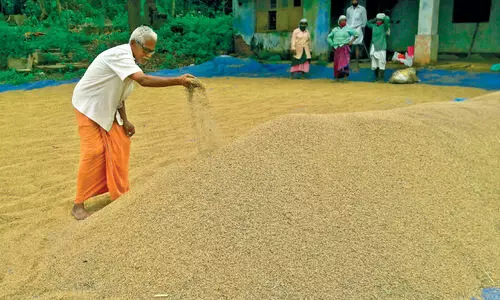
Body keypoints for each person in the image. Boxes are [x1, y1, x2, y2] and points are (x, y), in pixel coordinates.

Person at [71, 26, 195, 220]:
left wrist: (125, 120)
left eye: (152, 51)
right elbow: (143, 81)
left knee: (120, 144)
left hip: (107, 108)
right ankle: (78, 204)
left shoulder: (131, 61)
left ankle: (118, 192)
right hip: (88, 106)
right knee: (93, 151)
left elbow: (120, 95)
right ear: (133, 44)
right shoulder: (120, 56)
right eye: (146, 50)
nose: (149, 55)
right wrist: (178, 80)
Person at [327, 15, 359, 81]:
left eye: (345, 20)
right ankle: (336, 78)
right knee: (336, 62)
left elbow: (356, 34)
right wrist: (332, 44)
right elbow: (329, 37)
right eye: (342, 20)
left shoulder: (348, 28)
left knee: (344, 62)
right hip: (336, 48)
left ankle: (344, 78)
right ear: (339, 21)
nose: (343, 21)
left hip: (344, 47)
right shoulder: (335, 30)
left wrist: (351, 41)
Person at [366, 13, 390, 82]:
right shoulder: (374, 26)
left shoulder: (385, 27)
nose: (378, 21)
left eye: (380, 20)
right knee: (374, 62)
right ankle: (377, 78)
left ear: (382, 21)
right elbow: (368, 23)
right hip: (374, 46)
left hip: (381, 46)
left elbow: (387, 19)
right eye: (377, 20)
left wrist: (383, 17)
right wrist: (375, 19)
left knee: (381, 62)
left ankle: (381, 79)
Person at [346, 0, 367, 71]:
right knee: (348, 45)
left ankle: (356, 64)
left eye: (355, 0)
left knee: (357, 46)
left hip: (358, 28)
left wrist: (362, 30)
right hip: (349, 28)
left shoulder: (362, 9)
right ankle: (348, 63)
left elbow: (364, 20)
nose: (354, 1)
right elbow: (347, 19)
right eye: (353, 0)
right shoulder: (348, 9)